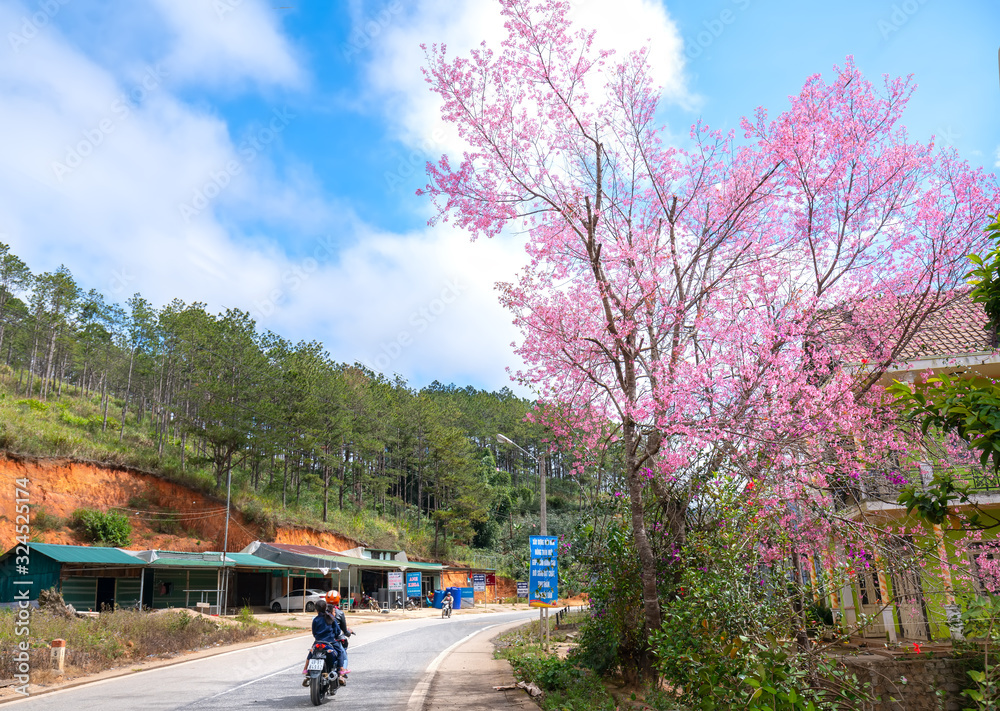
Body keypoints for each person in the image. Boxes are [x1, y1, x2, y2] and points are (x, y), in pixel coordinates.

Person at [302, 598, 347, 687]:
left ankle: (305, 669)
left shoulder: (315, 619)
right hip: (330, 642)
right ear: (325, 608)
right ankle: (341, 669)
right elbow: (337, 631)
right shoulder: (331, 618)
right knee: (340, 652)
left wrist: (318, 637)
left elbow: (314, 632)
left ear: (316, 609)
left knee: (311, 652)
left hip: (318, 641)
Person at [325, 591, 354, 670]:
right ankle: (341, 673)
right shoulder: (339, 613)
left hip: (321, 639)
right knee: (344, 657)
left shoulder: (321, 613)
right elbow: (342, 630)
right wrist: (348, 632)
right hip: (334, 640)